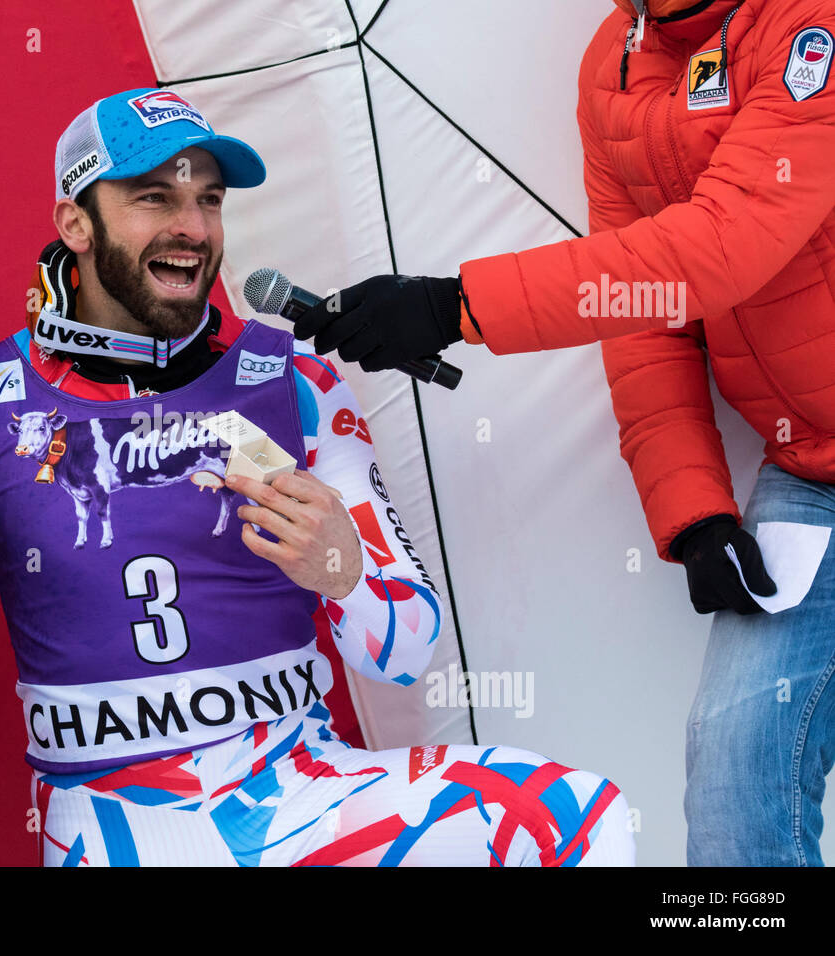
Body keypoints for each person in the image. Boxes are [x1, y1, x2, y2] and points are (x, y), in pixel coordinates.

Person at [0, 90, 635, 866]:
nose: (192, 224)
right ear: (74, 224)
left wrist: (343, 566)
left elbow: (402, 652)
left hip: (304, 798)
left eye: (207, 196)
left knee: (578, 819)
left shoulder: (287, 383)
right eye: (154, 196)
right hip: (120, 827)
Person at [294, 0, 835, 866]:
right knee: (736, 784)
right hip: (809, 469)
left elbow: (721, 247)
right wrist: (694, 512)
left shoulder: (812, 23)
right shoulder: (612, 70)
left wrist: (453, 305)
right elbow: (646, 317)